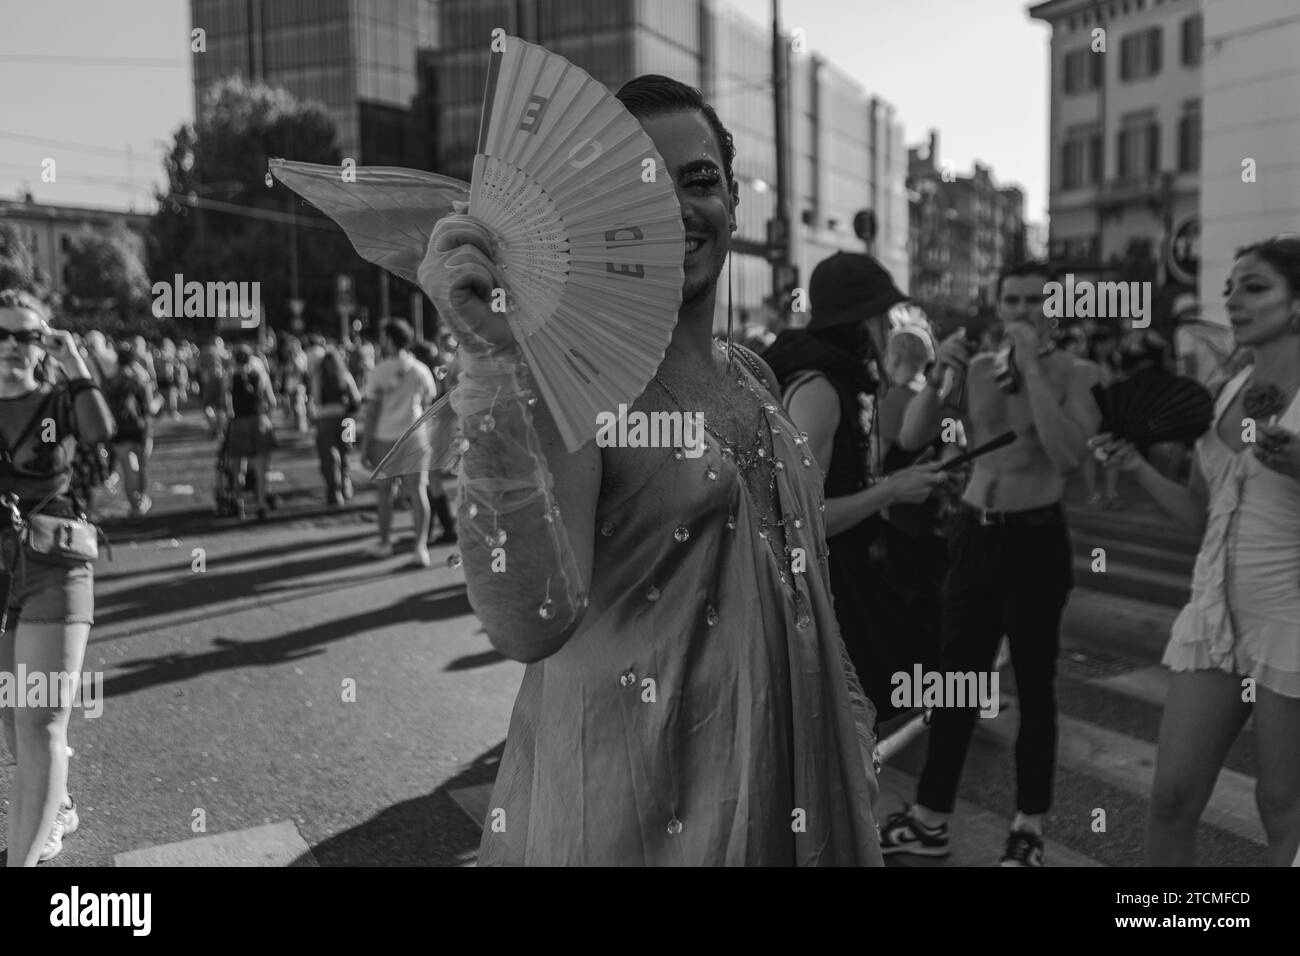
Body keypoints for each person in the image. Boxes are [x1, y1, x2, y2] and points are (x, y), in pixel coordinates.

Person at [416, 74, 883, 865]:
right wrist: (487, 362)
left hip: (784, 792)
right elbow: (526, 621)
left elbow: (802, 582)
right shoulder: (575, 390)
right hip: (635, 815)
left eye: (698, 180)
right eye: (639, 187)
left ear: (734, 201)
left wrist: (847, 708)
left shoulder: (756, 380)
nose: (675, 208)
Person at [880, 260, 1103, 866]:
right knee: (958, 679)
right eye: (1012, 301)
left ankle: (1027, 827)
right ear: (998, 305)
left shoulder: (1076, 373)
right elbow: (910, 435)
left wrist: (1030, 366)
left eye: (1035, 301)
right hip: (977, 536)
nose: (1023, 311)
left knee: (1034, 684)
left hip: (1035, 540)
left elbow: (1067, 455)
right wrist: (941, 374)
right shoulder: (977, 369)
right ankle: (930, 819)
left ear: (1054, 308)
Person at [1093, 235, 1300, 867]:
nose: (1234, 299)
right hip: (1213, 617)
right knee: (1172, 797)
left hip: (1291, 621)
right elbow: (1201, 512)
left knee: (1282, 808)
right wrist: (1139, 471)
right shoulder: (1226, 388)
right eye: (1231, 287)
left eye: (1256, 286)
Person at [763, 254, 948, 729]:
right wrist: (889, 493)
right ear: (861, 320)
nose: (890, 328)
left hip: (846, 574)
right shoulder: (820, 389)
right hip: (829, 587)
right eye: (882, 316)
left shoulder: (839, 378)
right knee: (847, 724)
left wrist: (895, 483)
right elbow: (801, 519)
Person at [0, 289, 114, 865]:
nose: (12, 347)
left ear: (42, 344)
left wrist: (75, 364)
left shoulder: (59, 400)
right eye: (2, 335)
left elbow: (100, 432)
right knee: (8, 714)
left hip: (55, 565)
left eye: (26, 334)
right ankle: (58, 803)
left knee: (39, 717)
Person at [360, 319, 437, 566]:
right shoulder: (420, 368)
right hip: (415, 434)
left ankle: (384, 543)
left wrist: (364, 446)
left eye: (384, 337)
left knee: (385, 493)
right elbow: (429, 399)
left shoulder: (379, 370)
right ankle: (420, 547)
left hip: (385, 436)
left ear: (391, 340)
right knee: (418, 491)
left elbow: (371, 412)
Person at [224, 344, 277, 521]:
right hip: (258, 422)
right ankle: (261, 504)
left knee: (238, 467)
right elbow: (272, 401)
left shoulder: (231, 375)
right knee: (261, 468)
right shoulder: (260, 374)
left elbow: (227, 404)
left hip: (239, 423)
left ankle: (239, 504)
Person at [105, 344, 159, 517]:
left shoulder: (111, 380)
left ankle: (134, 507)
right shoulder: (140, 379)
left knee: (128, 470)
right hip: (140, 428)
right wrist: (160, 401)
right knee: (142, 466)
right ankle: (141, 500)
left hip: (119, 429)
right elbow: (150, 407)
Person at [311, 346, 360, 507]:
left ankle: (335, 492)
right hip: (346, 420)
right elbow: (356, 398)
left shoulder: (319, 377)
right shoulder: (345, 375)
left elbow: (316, 400)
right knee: (345, 455)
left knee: (329, 458)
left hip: (325, 419)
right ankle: (346, 486)